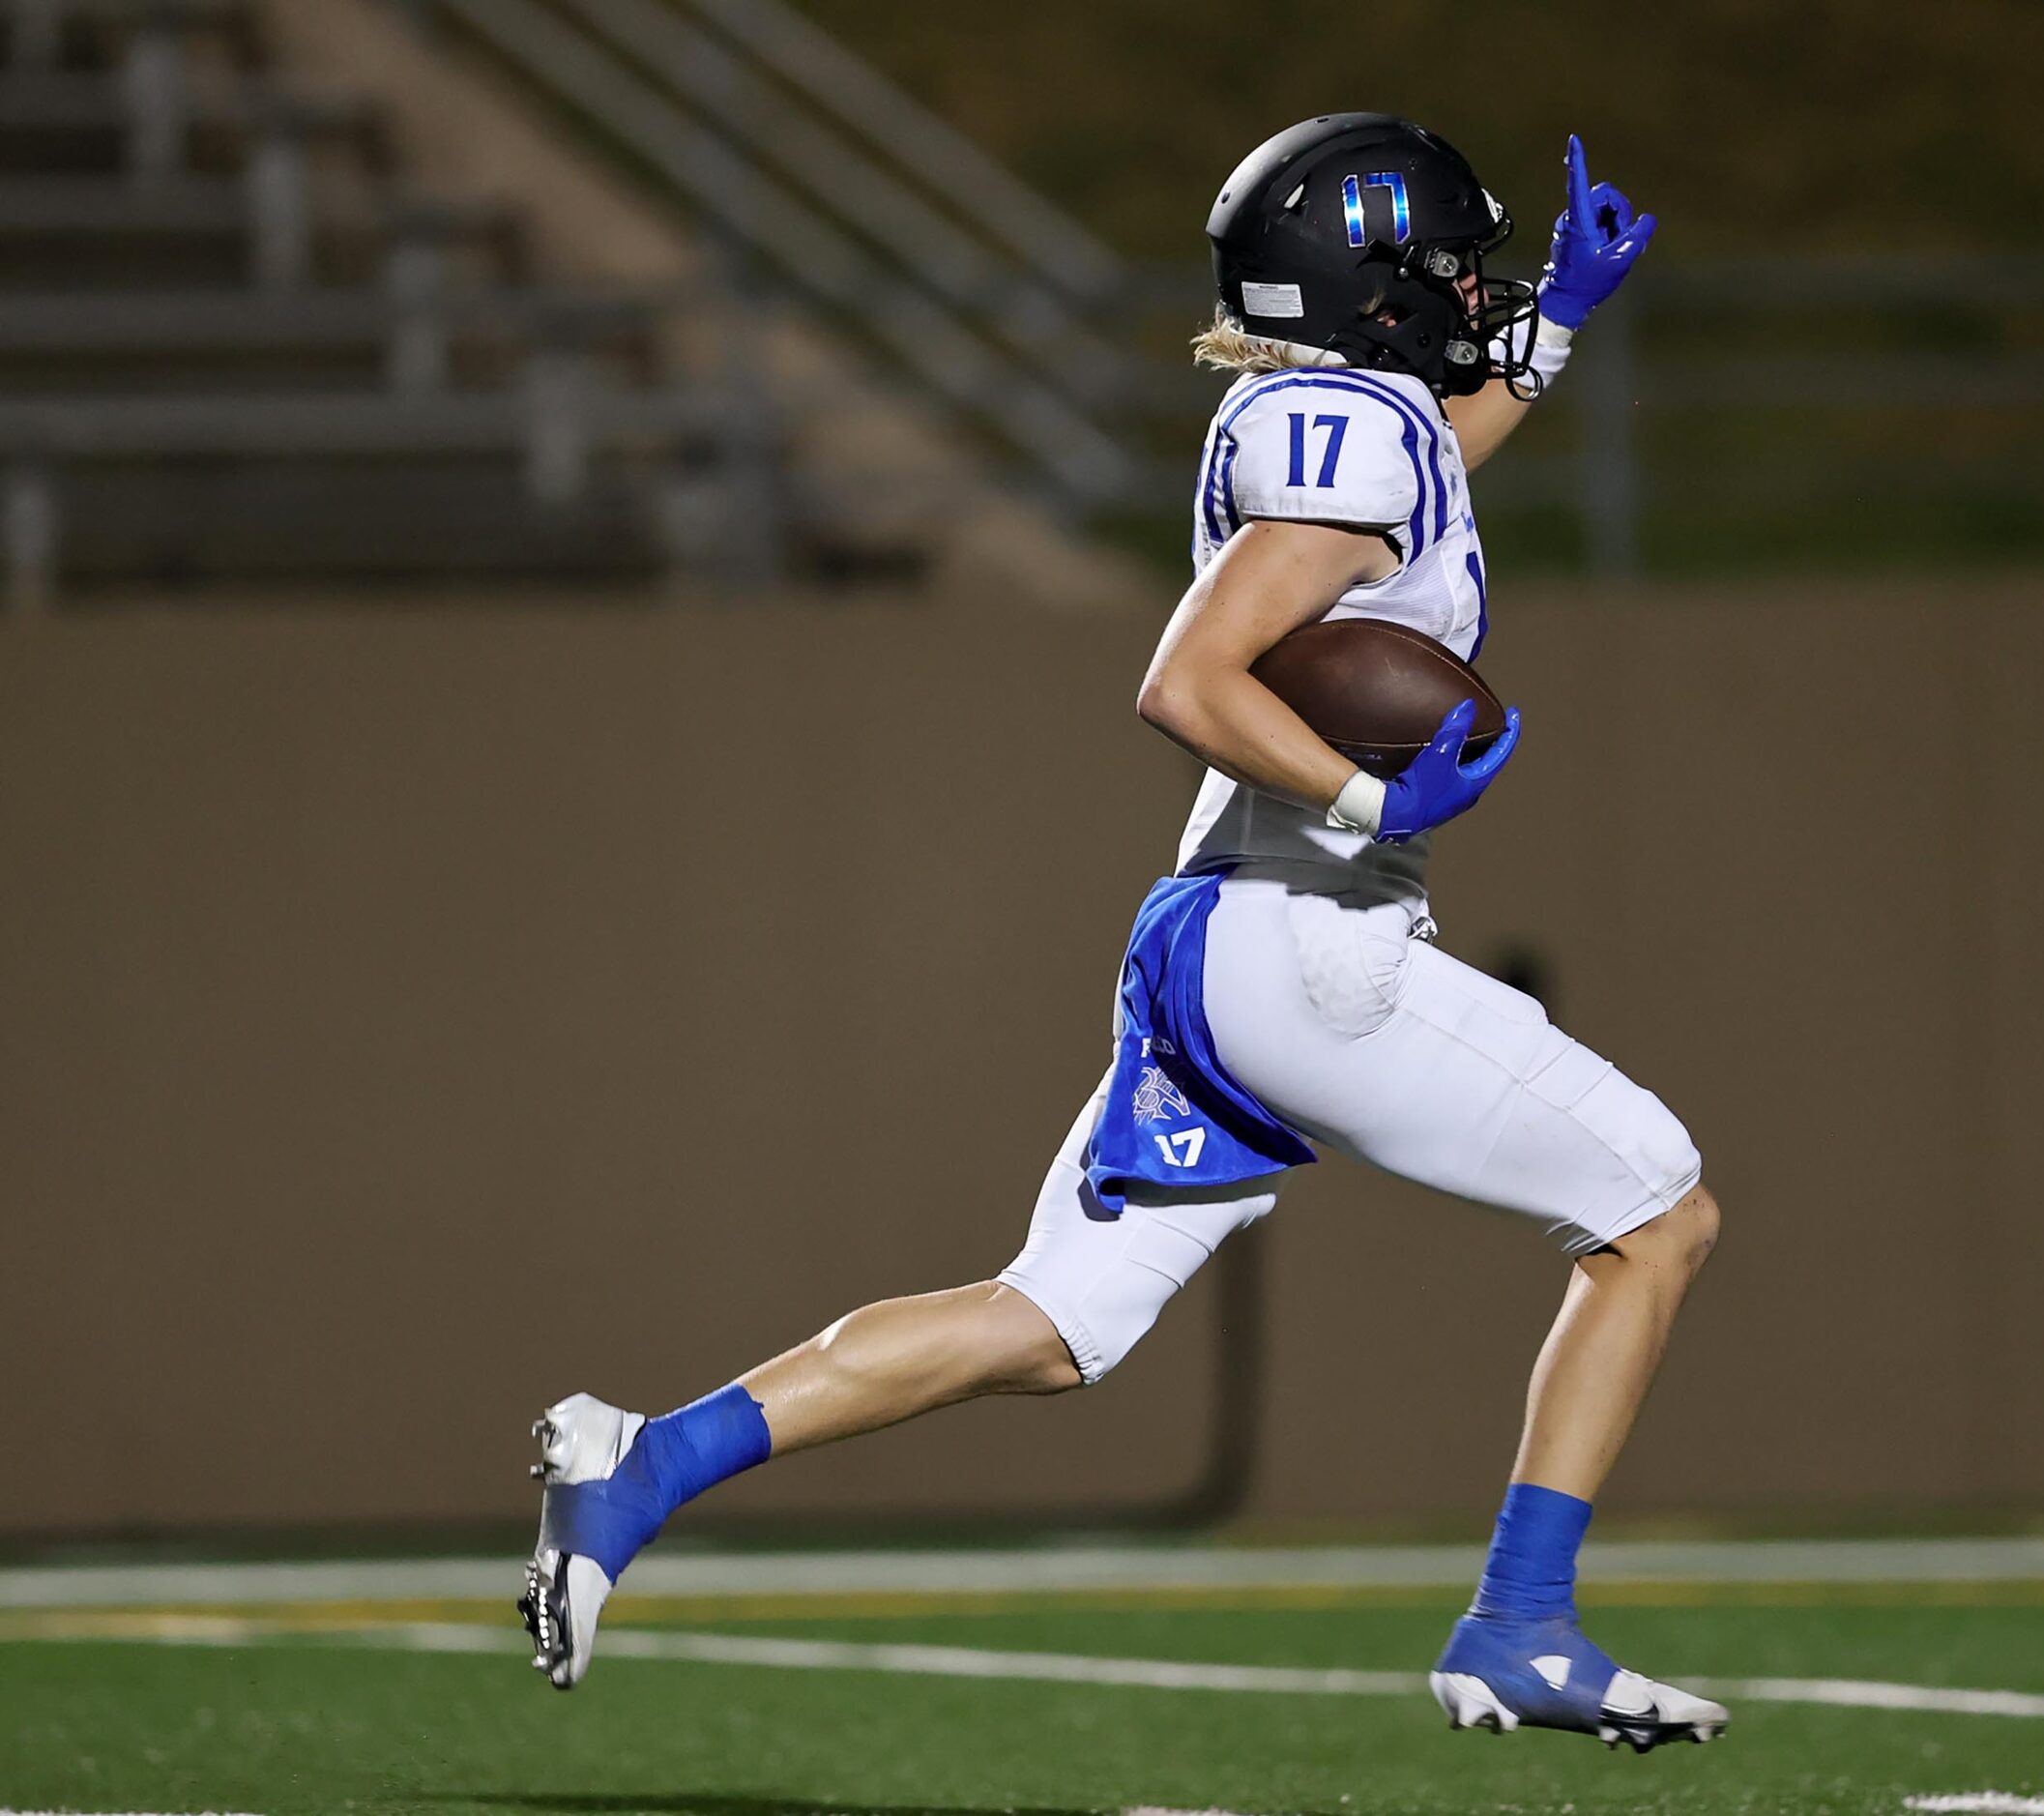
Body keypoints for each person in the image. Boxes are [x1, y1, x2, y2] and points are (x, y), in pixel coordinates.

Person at [522, 113, 1727, 1755]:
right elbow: (1188, 677)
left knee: (1055, 1321)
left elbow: (1410, 485)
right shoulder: (1342, 427)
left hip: (1213, 935)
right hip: (1312, 938)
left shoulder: (1334, 416)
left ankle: (639, 1462)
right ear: (1373, 287)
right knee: (1656, 1210)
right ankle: (1521, 1622)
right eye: (1447, 265)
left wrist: (1555, 337)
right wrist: (1372, 806)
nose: (1470, 285)